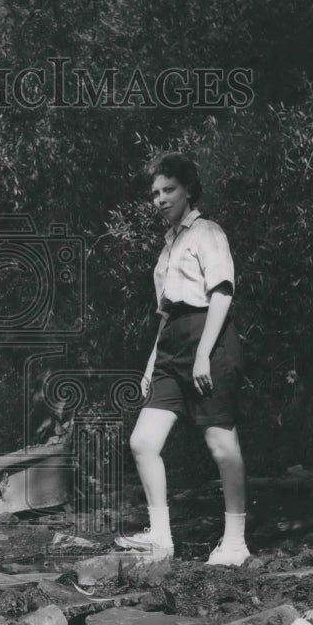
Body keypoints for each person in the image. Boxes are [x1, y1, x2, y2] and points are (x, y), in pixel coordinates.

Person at [115, 151, 249, 565]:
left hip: (207, 337)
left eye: (168, 189)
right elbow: (165, 313)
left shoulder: (208, 232)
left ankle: (236, 543)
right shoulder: (168, 244)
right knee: (142, 441)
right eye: (155, 192)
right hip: (171, 345)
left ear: (188, 189)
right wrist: (151, 366)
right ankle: (160, 537)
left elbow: (222, 293)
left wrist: (204, 355)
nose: (159, 198)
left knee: (221, 442)